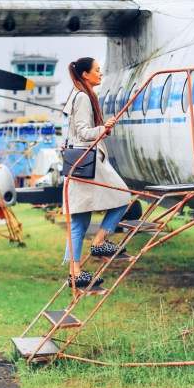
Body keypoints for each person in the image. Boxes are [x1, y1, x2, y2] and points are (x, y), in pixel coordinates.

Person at [62, 57, 131, 287]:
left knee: (80, 219)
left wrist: (103, 129)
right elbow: (83, 132)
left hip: (82, 162)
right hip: (87, 161)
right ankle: (100, 241)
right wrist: (104, 128)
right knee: (122, 195)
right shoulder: (83, 97)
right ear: (85, 75)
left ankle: (76, 272)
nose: (101, 74)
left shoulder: (80, 94)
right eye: (97, 70)